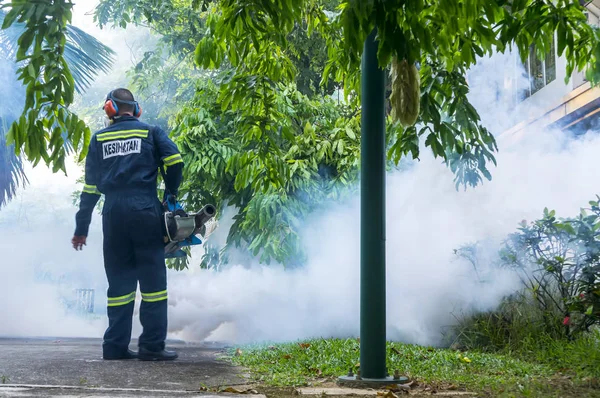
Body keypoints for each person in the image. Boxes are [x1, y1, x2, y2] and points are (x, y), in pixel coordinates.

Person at [71, 88, 184, 361]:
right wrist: (170, 193)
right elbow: (175, 162)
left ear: (109, 108)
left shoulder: (99, 138)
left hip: (113, 213)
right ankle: (151, 347)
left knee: (119, 283)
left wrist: (81, 229)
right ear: (136, 109)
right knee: (153, 282)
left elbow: (90, 189)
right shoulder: (151, 132)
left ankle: (115, 346)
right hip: (145, 210)